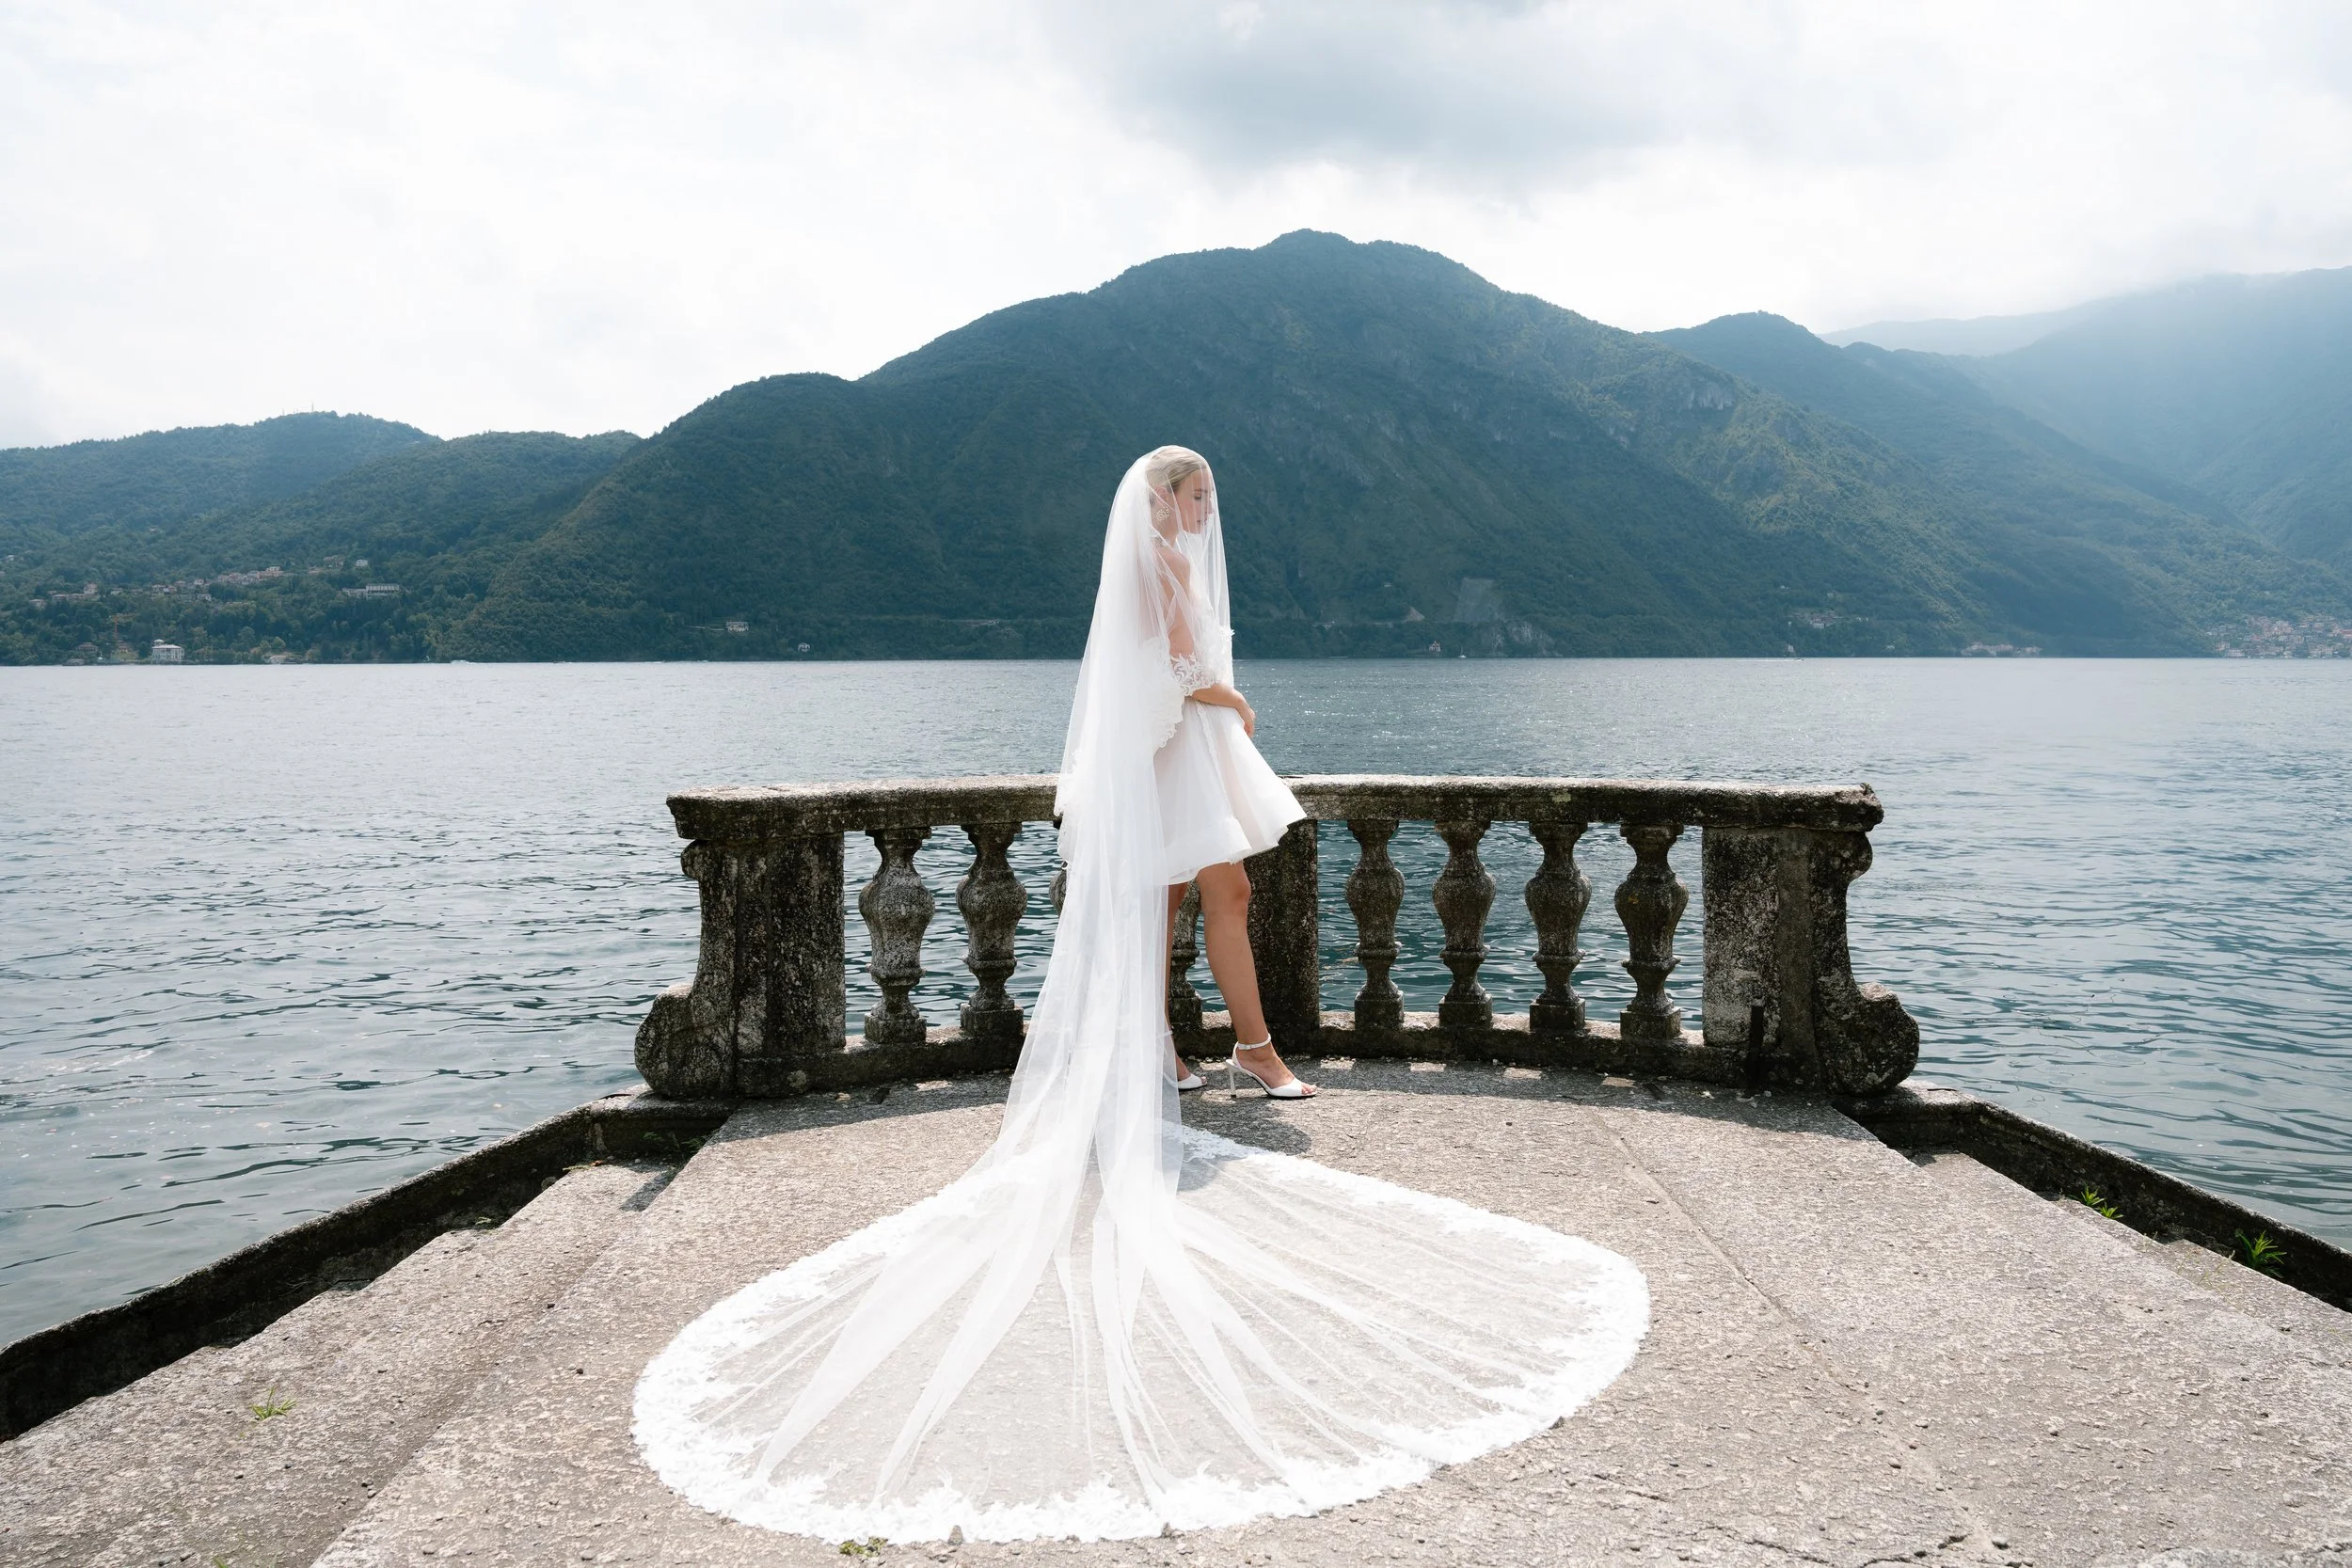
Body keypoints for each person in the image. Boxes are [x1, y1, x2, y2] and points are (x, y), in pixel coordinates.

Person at [632, 449, 1647, 1545]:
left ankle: (1172, 1047)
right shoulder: (1162, 562)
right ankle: (1250, 1044)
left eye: (1205, 492)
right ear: (1165, 500)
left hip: (1170, 756)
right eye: (1196, 490)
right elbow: (1167, 671)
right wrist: (1231, 694)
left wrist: (1211, 698)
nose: (1209, 505)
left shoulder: (1153, 558)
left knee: (1184, 899)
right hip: (1181, 746)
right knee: (1222, 891)